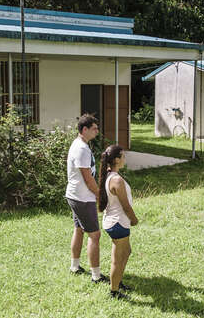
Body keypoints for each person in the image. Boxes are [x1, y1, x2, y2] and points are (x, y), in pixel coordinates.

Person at [66, 114, 108, 283]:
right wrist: (99, 195)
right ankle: (96, 276)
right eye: (94, 129)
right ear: (84, 129)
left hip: (75, 195)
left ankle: (75, 266)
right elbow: (87, 177)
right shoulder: (82, 149)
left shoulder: (79, 144)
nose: (97, 132)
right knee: (95, 235)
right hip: (82, 198)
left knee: (79, 229)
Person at [98, 145, 138, 299]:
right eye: (122, 156)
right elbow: (126, 206)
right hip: (118, 224)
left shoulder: (109, 175)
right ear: (116, 159)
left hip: (115, 222)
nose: (124, 159)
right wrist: (134, 219)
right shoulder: (116, 180)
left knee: (126, 252)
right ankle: (114, 292)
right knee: (117, 259)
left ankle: (118, 281)